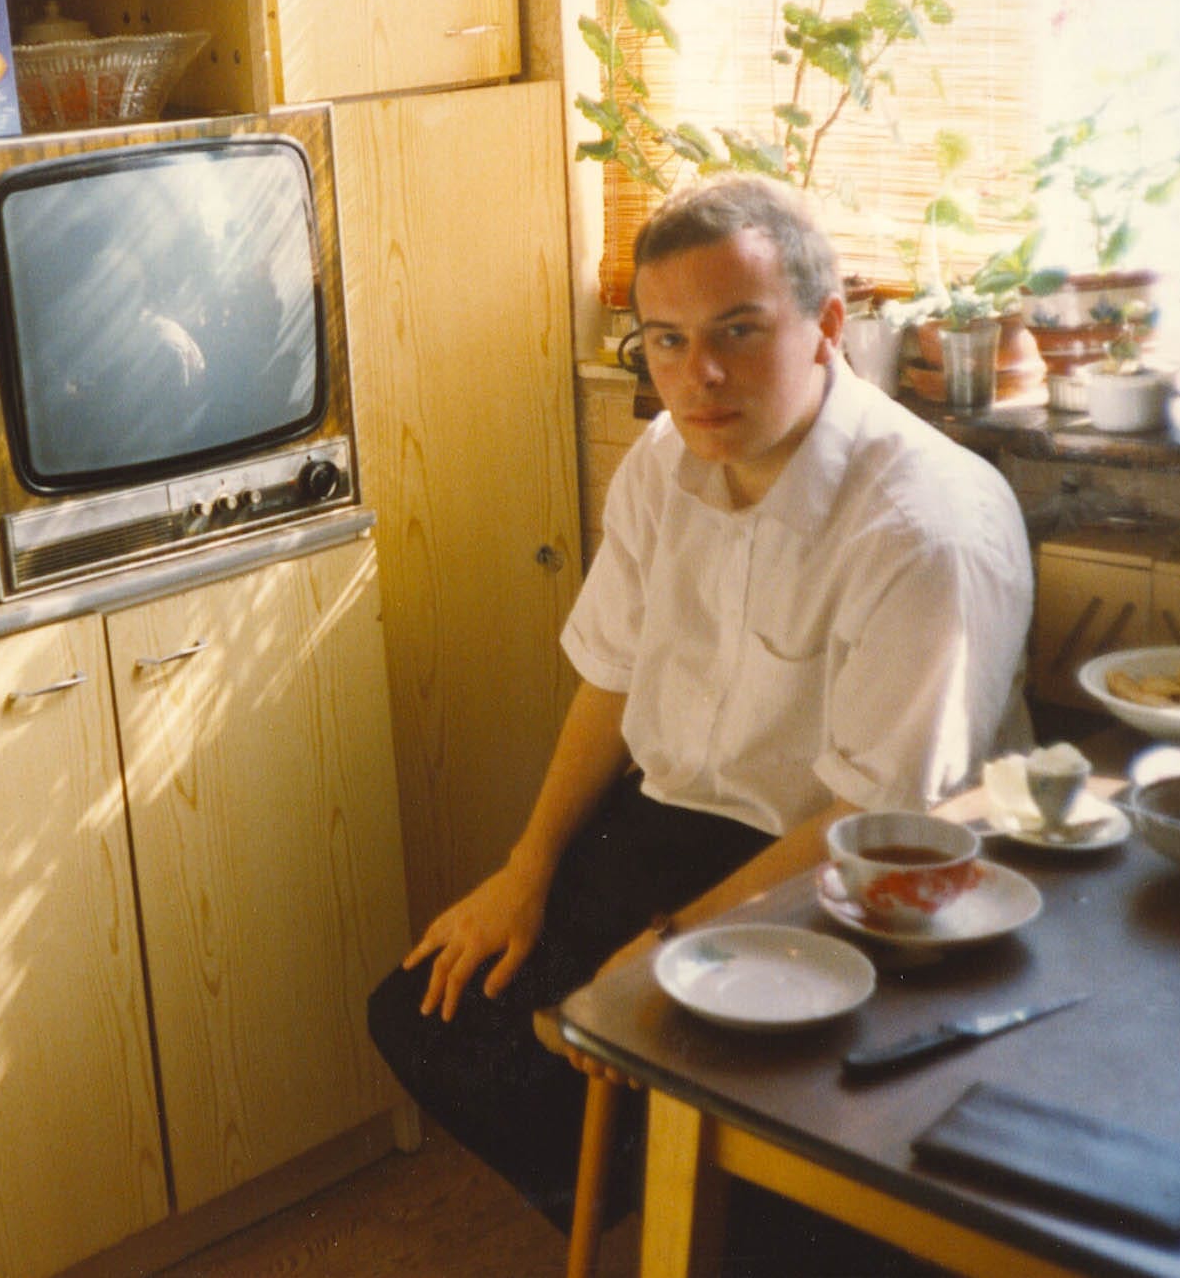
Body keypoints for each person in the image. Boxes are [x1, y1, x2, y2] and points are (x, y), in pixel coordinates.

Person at [366, 175, 1033, 1267]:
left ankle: (708, 1188)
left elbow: (876, 824)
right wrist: (525, 868)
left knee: (748, 1139)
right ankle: (671, 1183)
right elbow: (610, 676)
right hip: (682, 828)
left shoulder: (924, 527)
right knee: (426, 1015)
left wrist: (673, 954)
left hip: (869, 878)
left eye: (737, 331)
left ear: (826, 326)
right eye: (667, 342)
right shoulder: (662, 460)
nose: (698, 375)